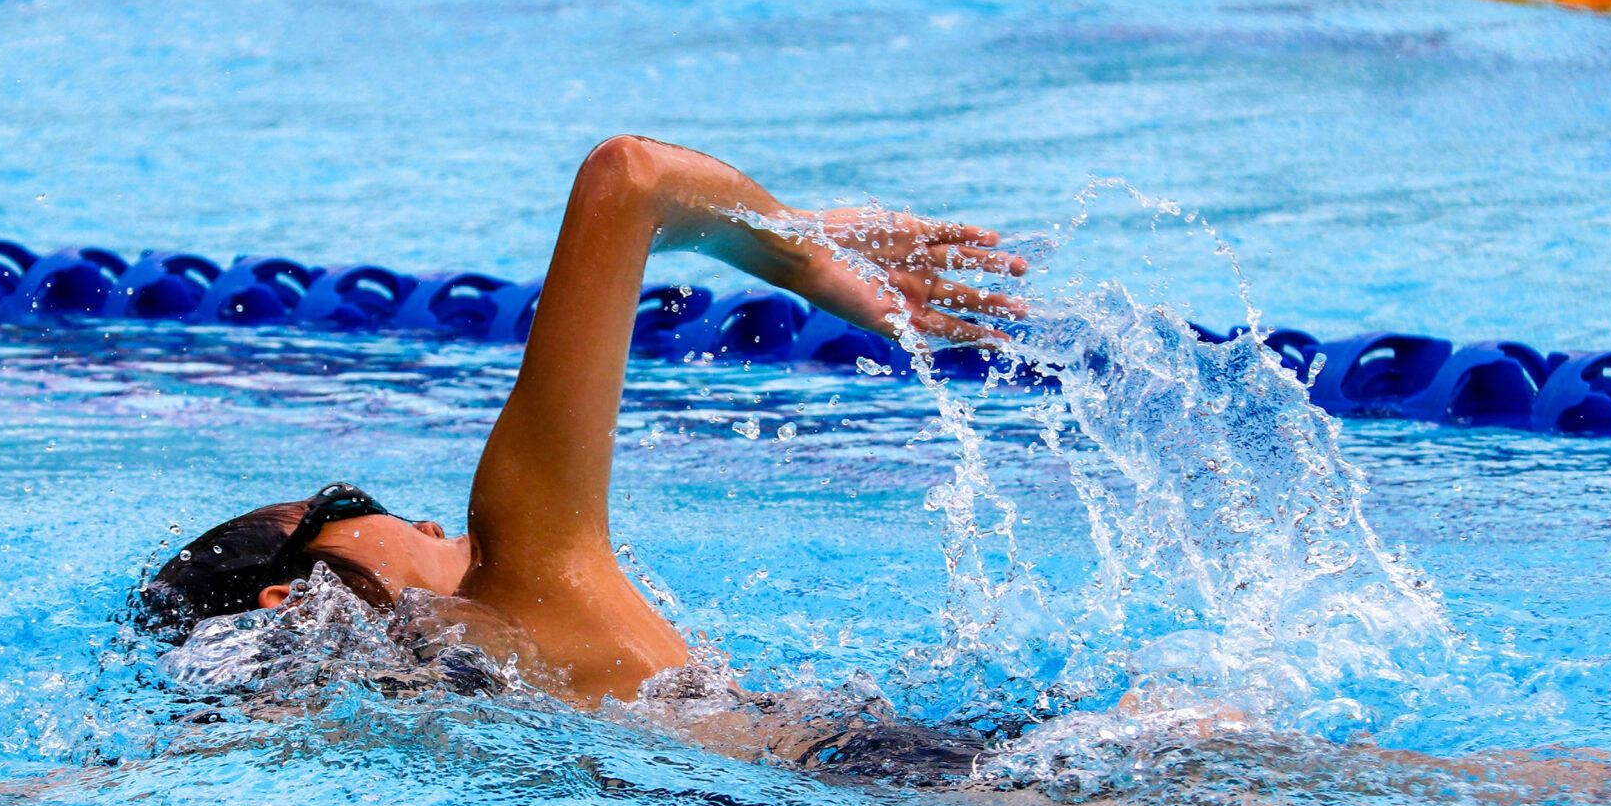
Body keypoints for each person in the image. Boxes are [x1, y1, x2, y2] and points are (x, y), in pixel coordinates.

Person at [132, 135, 1029, 706]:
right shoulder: (519, 564)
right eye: (351, 502)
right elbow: (629, 177)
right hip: (934, 779)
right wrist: (808, 255)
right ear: (293, 598)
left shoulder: (447, 717)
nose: (430, 521)